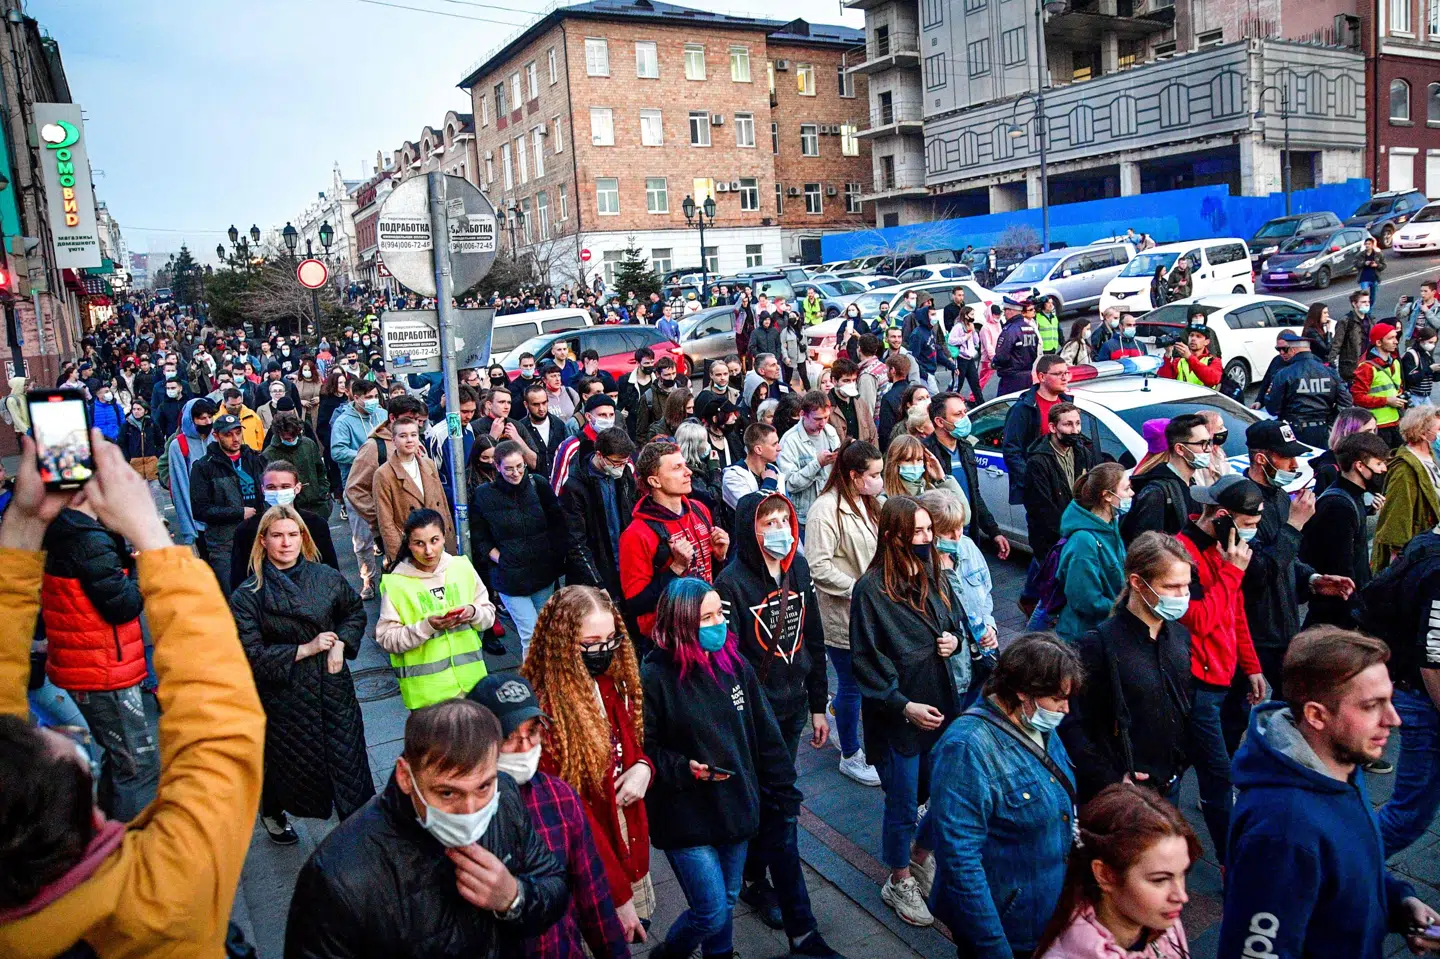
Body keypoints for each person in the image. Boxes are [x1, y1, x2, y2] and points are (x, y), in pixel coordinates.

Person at [0, 431, 265, 958]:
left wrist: (25, 525)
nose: (51, 731)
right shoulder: (159, 897)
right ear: (78, 805)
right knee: (133, 764)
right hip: (108, 667)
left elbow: (216, 729)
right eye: (55, 744)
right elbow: (218, 727)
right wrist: (150, 534)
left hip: (103, 659)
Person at [284, 698, 570, 958]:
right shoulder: (337, 877)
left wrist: (514, 898)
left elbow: (553, 882)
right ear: (406, 777)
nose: (470, 811)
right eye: (447, 793)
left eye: (483, 787)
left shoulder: (505, 796)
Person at [1220, 627, 1440, 959]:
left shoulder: (1340, 763)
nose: (1393, 720)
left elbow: (1348, 866)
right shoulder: (1282, 830)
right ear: (1316, 715)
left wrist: (1398, 900)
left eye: (1390, 700)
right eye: (1371, 706)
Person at [641, 578, 826, 959]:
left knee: (725, 898)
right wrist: (681, 767)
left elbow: (765, 734)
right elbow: (645, 747)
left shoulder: (733, 663)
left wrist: (784, 791)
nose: (717, 625)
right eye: (704, 618)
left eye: (718, 615)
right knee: (709, 911)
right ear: (680, 624)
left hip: (735, 808)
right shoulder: (654, 677)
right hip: (685, 816)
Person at [715, 491, 840, 949]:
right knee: (774, 802)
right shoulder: (731, 584)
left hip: (793, 707)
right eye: (766, 521)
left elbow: (814, 637)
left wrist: (817, 704)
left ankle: (755, 876)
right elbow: (726, 659)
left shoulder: (798, 569)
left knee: (776, 800)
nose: (777, 529)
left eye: (782, 519)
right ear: (750, 527)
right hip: (755, 716)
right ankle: (767, 887)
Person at [850, 496, 971, 928]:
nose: (925, 539)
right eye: (916, 532)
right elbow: (866, 660)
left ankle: (921, 857)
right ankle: (898, 878)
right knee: (902, 802)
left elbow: (956, 619)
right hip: (899, 714)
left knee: (947, 793)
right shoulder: (870, 591)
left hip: (941, 701)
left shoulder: (934, 571)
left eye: (928, 531)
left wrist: (953, 640)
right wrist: (903, 706)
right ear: (892, 536)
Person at [928, 634, 1084, 959]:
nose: (1065, 710)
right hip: (1010, 925)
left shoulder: (1039, 723)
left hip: (1047, 910)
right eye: (1058, 699)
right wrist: (993, 949)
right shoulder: (966, 748)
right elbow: (960, 862)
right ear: (1022, 692)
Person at [231, 504, 372, 845]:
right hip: (285, 696)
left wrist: (341, 643)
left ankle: (359, 831)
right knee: (290, 764)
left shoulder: (325, 577)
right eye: (277, 536)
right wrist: (305, 649)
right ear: (263, 541)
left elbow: (353, 612)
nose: (285, 543)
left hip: (333, 686)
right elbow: (250, 654)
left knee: (348, 759)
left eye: (293, 535)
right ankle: (273, 810)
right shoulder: (248, 595)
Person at [522, 586, 654, 945]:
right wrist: (618, 893)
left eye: (611, 639)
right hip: (591, 858)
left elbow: (631, 748)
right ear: (563, 643)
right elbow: (574, 815)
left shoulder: (609, 685)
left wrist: (643, 768)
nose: (604, 650)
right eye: (591, 641)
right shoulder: (546, 715)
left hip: (624, 834)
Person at [465, 674, 631, 958]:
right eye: (509, 737)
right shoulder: (460, 813)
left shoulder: (560, 797)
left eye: (532, 732)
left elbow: (593, 895)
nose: (526, 747)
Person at [38, 497, 159, 822]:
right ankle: (128, 846)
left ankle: (108, 831)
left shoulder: (68, 530)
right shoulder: (88, 539)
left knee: (120, 760)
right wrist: (140, 568)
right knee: (137, 765)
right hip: (103, 669)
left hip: (95, 664)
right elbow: (124, 605)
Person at [1176, 474, 1268, 865]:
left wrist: (1252, 666)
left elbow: (1235, 614)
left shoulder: (1222, 550)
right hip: (1198, 684)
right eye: (1248, 525)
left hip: (1223, 678)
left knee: (1206, 766)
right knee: (1217, 775)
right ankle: (1233, 863)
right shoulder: (1183, 555)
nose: (1252, 535)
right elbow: (1199, 619)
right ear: (1225, 517)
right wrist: (1232, 573)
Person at [1062, 532, 1194, 802]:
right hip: (1126, 794)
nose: (1183, 596)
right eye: (1171, 587)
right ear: (1137, 583)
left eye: (1187, 586)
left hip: (1170, 783)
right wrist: (1110, 778)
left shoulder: (1179, 637)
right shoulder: (1097, 645)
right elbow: (1072, 722)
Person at [1033, 784, 1198, 959]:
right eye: (1159, 880)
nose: (1181, 896)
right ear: (1104, 875)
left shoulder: (1160, 920)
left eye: (1183, 874)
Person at [806, 440, 884, 786]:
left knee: (862, 684)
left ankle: (842, 718)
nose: (879, 481)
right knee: (853, 685)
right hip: (843, 617)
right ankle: (851, 754)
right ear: (854, 476)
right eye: (874, 475)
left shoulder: (871, 504)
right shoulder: (826, 510)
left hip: (873, 612)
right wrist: (860, 590)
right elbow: (819, 566)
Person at [376, 508, 496, 710]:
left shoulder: (462, 568)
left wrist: (473, 613)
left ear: (444, 537)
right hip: (427, 698)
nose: (429, 551)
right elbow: (387, 639)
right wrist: (425, 627)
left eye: (434, 540)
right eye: (419, 544)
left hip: (472, 688)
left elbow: (488, 616)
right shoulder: (396, 583)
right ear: (409, 544)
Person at [619, 440, 730, 643]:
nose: (688, 472)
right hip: (670, 639)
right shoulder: (636, 534)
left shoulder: (699, 510)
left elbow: (709, 575)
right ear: (655, 481)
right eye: (677, 468)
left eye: (685, 465)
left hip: (707, 625)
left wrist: (720, 556)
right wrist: (676, 568)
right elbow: (636, 604)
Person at [471, 439, 566, 656]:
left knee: (545, 632)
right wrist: (499, 558)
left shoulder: (538, 484)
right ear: (497, 467)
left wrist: (555, 557)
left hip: (542, 572)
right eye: (509, 468)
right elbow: (479, 535)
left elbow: (557, 523)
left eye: (519, 466)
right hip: (510, 578)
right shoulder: (484, 494)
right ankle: (534, 683)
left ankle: (547, 679)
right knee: (531, 634)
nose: (515, 473)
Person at [1303, 431, 1391, 628]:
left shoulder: (1352, 497)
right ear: (1359, 465)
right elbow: (1340, 566)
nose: (1384, 469)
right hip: (1337, 614)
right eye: (1379, 464)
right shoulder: (1339, 505)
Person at [228, 459, 340, 592]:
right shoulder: (246, 530)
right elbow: (240, 580)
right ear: (263, 490)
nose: (278, 492)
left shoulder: (315, 524)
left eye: (285, 486)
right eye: (271, 487)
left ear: (297, 488)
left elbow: (331, 570)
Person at [1053, 463, 1131, 642]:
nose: (1131, 494)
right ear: (1107, 496)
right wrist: (1126, 607)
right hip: (1084, 638)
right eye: (1126, 489)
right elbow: (1085, 600)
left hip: (1105, 629)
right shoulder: (1084, 541)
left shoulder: (1110, 526)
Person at [925, 393, 1010, 558]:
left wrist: (994, 532)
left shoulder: (966, 448)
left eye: (964, 412)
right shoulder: (926, 453)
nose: (965, 418)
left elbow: (974, 494)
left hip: (968, 534)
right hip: (942, 539)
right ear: (940, 422)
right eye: (958, 414)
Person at [560, 426, 639, 601]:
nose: (620, 467)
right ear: (600, 455)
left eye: (624, 462)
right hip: (598, 569)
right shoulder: (575, 487)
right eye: (616, 463)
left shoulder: (623, 474)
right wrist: (597, 582)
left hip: (625, 563)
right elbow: (576, 541)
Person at [189, 413, 266, 591]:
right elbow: (200, 510)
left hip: (258, 537)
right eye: (228, 434)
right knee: (234, 595)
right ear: (216, 436)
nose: (235, 438)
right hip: (224, 544)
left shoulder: (255, 459)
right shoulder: (203, 467)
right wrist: (238, 513)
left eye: (238, 433)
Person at [1022, 402, 1097, 568]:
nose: (1075, 430)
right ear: (1053, 427)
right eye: (1068, 424)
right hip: (1052, 542)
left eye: (1077, 423)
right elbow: (1042, 508)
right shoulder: (1038, 461)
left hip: (1078, 536)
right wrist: (1071, 532)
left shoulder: (1083, 452)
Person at [373, 414, 454, 561]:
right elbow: (386, 522)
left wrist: (450, 540)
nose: (409, 440)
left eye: (413, 435)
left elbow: (442, 505)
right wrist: (398, 557)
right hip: (411, 547)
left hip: (438, 542)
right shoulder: (383, 474)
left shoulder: (428, 464)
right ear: (393, 440)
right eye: (403, 436)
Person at [1119, 413, 1208, 544]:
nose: (1209, 449)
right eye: (1202, 444)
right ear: (1180, 449)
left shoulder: (1190, 483)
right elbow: (1147, 549)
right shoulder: (1156, 492)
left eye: (1209, 442)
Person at [1001, 355, 1073, 508]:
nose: (1065, 378)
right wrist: (1032, 482)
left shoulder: (1068, 403)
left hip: (1067, 484)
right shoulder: (1023, 409)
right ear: (1041, 376)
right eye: (1058, 374)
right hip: (1042, 490)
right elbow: (1011, 450)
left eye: (1066, 373)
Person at [1374, 405, 1440, 571]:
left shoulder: (1429, 456)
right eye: (1438, 428)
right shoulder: (1405, 470)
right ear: (1423, 433)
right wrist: (1398, 566)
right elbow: (1397, 518)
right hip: (1417, 551)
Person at [1263, 331, 1348, 447]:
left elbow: (1272, 407)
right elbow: (1346, 402)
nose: (1282, 353)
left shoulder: (1285, 374)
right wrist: (1331, 421)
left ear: (1293, 350)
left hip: (1293, 430)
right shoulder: (1329, 372)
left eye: (1285, 349)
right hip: (1323, 430)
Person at [777, 390, 839, 536]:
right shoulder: (790, 441)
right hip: (805, 516)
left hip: (830, 509)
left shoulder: (830, 432)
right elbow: (790, 484)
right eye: (817, 419)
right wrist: (817, 463)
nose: (823, 423)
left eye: (826, 417)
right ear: (803, 414)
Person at [163, 397, 215, 547]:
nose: (207, 422)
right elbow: (180, 487)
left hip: (223, 517)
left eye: (210, 417)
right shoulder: (178, 445)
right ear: (191, 419)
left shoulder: (218, 438)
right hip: (199, 521)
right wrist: (189, 528)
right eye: (202, 418)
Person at [1350, 322, 1408, 448]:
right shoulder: (1366, 367)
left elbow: (1397, 388)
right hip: (1377, 426)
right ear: (1378, 343)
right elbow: (1357, 398)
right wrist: (1386, 400)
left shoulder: (1395, 363)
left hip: (1396, 422)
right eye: (1390, 338)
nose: (1396, 341)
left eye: (1395, 337)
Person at [262, 411, 330, 515]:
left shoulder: (308, 444)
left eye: (295, 436)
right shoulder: (269, 454)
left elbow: (320, 470)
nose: (292, 440)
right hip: (291, 509)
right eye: (287, 438)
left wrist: (322, 492)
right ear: (278, 434)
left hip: (317, 505)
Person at [330, 377, 387, 488]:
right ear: (356, 398)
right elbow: (338, 452)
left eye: (376, 397)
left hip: (384, 477)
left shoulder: (383, 414)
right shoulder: (343, 422)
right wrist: (368, 456)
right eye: (369, 397)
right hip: (357, 480)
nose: (374, 401)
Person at [1312, 406, 1378, 494]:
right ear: (1349, 432)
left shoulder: (1369, 459)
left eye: (1374, 430)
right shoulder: (1329, 467)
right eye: (1367, 431)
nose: (1373, 436)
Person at [120, 398, 165, 514]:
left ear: (145, 411)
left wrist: (156, 456)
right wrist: (128, 459)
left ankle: (160, 518)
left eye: (139, 409)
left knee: (155, 491)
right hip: (134, 463)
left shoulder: (152, 424)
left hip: (151, 462)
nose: (136, 411)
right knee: (137, 493)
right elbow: (121, 444)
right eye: (134, 409)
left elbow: (160, 442)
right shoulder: (126, 425)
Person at [516, 381, 569, 477]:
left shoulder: (559, 424)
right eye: (536, 404)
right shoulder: (520, 428)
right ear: (526, 404)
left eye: (544, 403)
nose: (541, 408)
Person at [991, 300, 1041, 396]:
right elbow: (1034, 352)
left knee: (1006, 407)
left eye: (1005, 310)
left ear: (1011, 311)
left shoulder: (1009, 330)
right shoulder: (1030, 328)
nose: (1004, 314)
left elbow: (1002, 356)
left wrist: (993, 363)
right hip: (1027, 376)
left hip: (1011, 379)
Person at [1157, 321, 1222, 389]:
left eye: (1198, 336)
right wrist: (1168, 353)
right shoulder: (1178, 361)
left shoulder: (1214, 361)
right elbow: (1164, 382)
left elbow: (1212, 380)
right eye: (1191, 335)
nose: (1193, 339)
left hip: (1203, 399)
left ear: (1206, 342)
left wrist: (1189, 357)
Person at [1334, 289, 1374, 384]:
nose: (1367, 304)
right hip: (1351, 367)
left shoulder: (1371, 320)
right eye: (1363, 302)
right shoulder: (1346, 321)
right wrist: (1331, 364)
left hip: (1368, 364)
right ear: (1354, 304)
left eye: (1368, 301)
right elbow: (1336, 344)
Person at [1358, 234, 1386, 304]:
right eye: (1366, 244)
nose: (1367, 245)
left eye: (1369, 244)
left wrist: (1376, 265)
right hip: (1363, 278)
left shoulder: (1378, 254)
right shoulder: (1360, 255)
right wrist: (1364, 263)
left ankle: (1369, 312)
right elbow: (1356, 264)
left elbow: (1384, 266)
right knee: (1365, 296)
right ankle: (1364, 313)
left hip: (1374, 279)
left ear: (1372, 245)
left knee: (1372, 297)